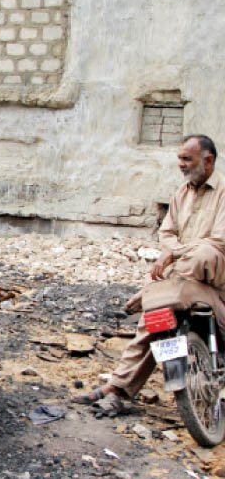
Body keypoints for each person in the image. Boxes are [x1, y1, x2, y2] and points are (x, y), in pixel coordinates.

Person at [72, 134, 225, 414]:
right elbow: (166, 233)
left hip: (215, 280)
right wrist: (174, 251)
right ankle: (118, 387)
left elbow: (219, 241)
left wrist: (175, 253)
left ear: (209, 160)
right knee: (153, 319)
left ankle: (154, 291)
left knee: (205, 252)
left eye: (186, 159)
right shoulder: (181, 194)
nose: (181, 165)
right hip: (185, 282)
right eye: (179, 159)